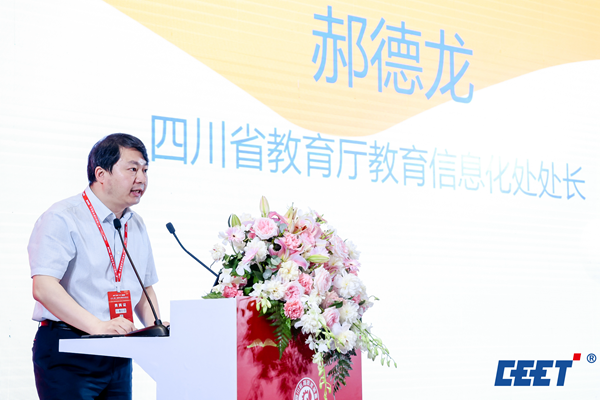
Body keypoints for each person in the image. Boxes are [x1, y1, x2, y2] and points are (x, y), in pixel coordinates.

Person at [29, 133, 164, 400]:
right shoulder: (63, 216)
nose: (141, 179)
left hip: (117, 352)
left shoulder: (135, 223)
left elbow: (144, 288)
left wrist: (155, 327)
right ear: (101, 174)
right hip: (70, 352)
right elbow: (43, 287)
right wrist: (97, 326)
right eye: (132, 169)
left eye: (145, 170)